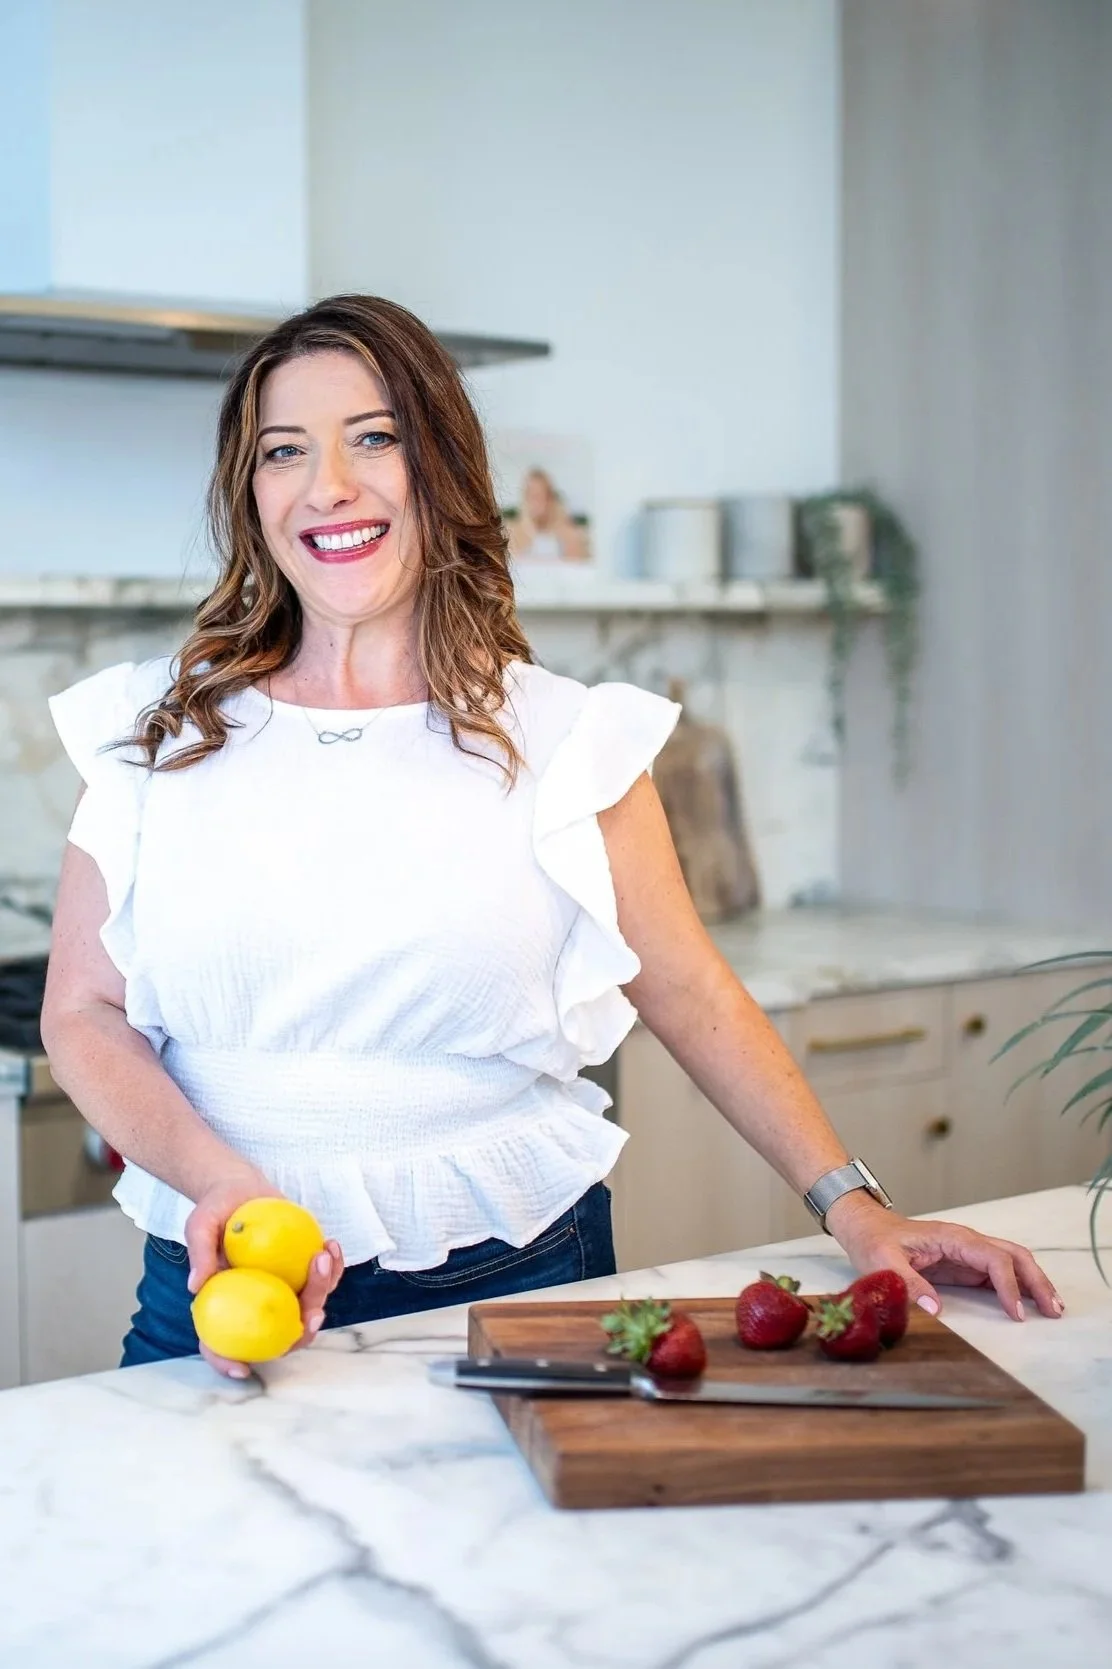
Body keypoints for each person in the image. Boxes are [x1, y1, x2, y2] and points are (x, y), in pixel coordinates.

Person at [41, 294, 1062, 1381]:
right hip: (216, 1277)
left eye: (373, 437)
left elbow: (692, 992)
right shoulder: (154, 729)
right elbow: (84, 1010)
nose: (327, 484)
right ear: (252, 495)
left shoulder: (566, 739)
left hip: (514, 1270)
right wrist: (219, 1180)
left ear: (442, 465)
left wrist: (855, 1209)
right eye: (283, 450)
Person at [506, 467, 590, 563]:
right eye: (531, 495)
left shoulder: (569, 533)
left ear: (550, 498)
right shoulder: (514, 533)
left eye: (539, 496)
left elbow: (576, 568)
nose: (535, 502)